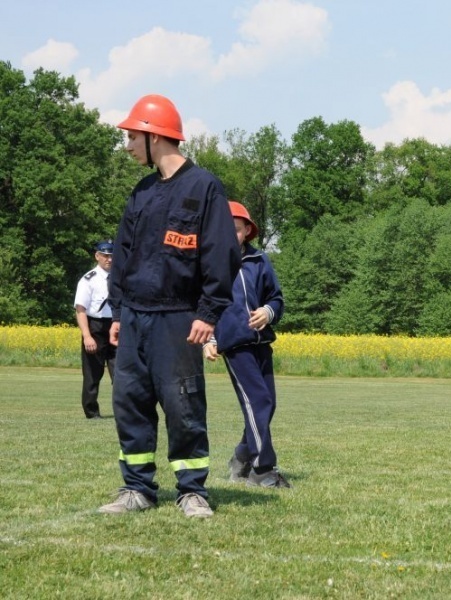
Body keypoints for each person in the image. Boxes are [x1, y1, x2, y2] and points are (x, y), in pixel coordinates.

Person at [98, 94, 241, 518]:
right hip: (135, 317)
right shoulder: (141, 192)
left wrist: (208, 312)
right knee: (130, 403)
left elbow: (221, 254)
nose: (127, 146)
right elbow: (123, 255)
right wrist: (119, 313)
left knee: (183, 404)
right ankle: (137, 488)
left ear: (154, 135)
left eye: (131, 136)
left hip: (179, 316)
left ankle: (192, 491)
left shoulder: (204, 188)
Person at [203, 201, 291, 489]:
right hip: (235, 345)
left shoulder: (259, 260)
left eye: (238, 229)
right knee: (258, 402)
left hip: (261, 343)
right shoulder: (208, 264)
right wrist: (210, 339)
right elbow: (203, 306)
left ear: (247, 232)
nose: (232, 234)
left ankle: (241, 457)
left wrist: (268, 312)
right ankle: (262, 469)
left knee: (267, 405)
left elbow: (276, 299)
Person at [73, 240, 117, 419]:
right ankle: (92, 412)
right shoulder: (88, 279)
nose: (109, 259)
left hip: (115, 327)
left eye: (112, 256)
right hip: (95, 327)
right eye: (105, 255)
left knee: (121, 373)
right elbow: (80, 309)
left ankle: (124, 411)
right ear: (97, 256)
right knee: (92, 374)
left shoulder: (120, 277)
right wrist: (87, 336)